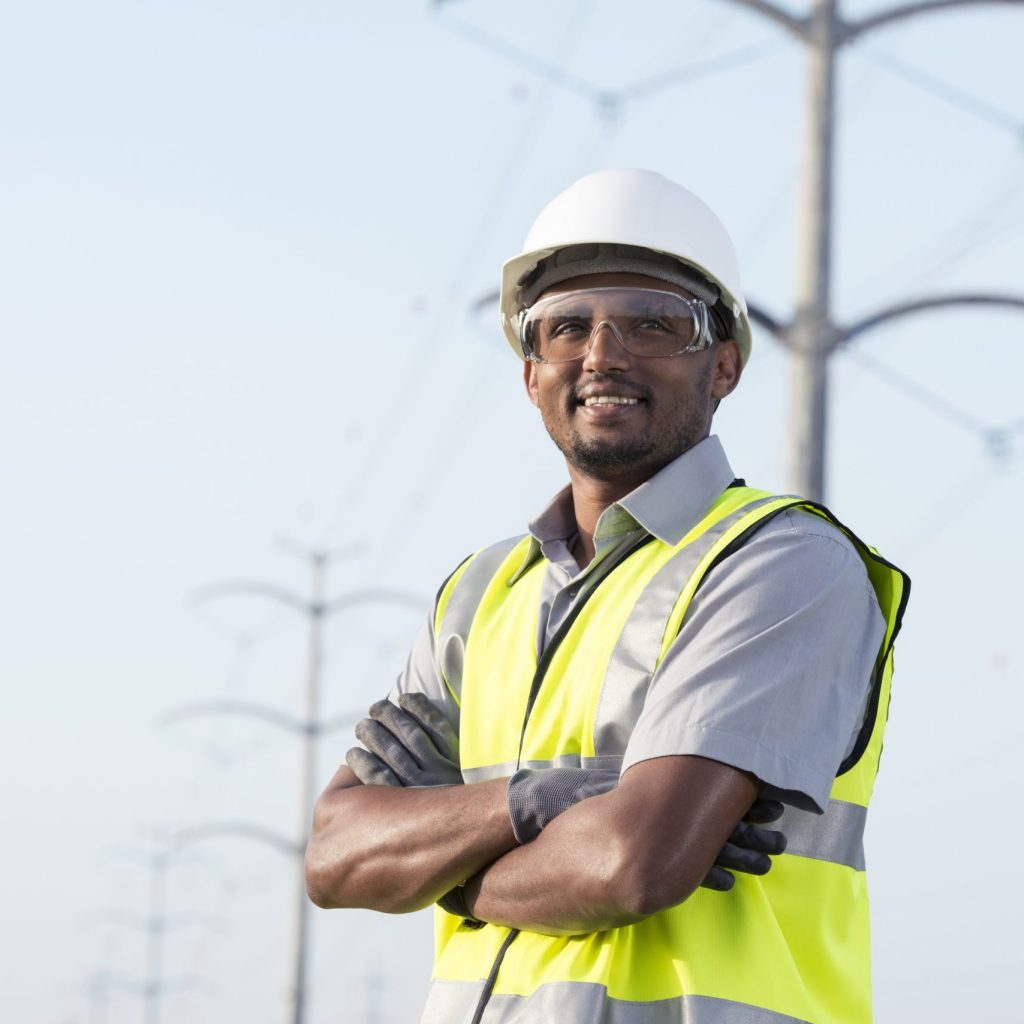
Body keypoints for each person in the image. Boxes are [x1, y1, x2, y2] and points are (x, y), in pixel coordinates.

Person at [305, 169, 909, 1024]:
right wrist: (540, 800)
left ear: (724, 364)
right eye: (565, 329)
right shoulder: (480, 596)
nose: (601, 355)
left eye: (653, 325)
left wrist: (443, 873)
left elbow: (634, 863)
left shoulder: (782, 565)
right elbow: (335, 857)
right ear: (530, 374)